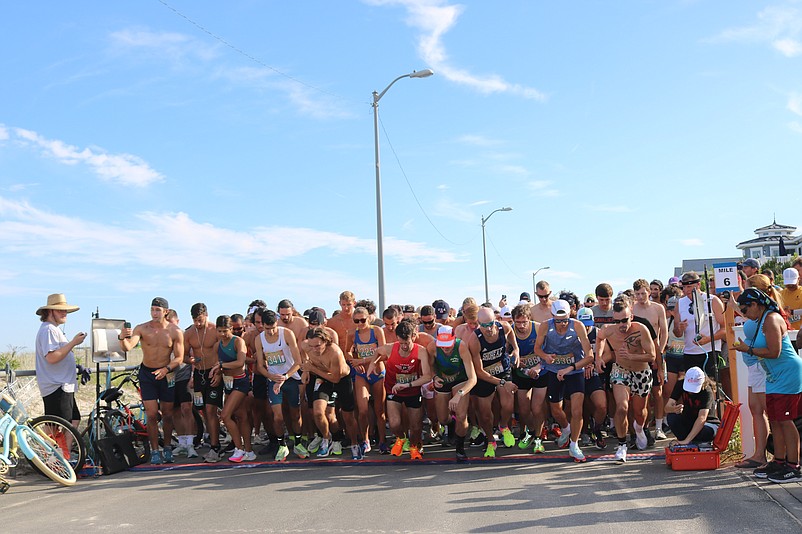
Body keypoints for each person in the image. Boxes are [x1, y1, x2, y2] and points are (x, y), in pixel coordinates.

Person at [735, 288, 802, 483]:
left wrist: (748, 349)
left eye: (745, 311)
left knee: (785, 421)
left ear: (756, 305)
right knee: (774, 420)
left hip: (787, 374)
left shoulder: (771, 319)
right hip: (774, 376)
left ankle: (793, 466)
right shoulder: (761, 319)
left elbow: (774, 352)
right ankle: (779, 461)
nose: (745, 315)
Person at [120, 297, 185, 464]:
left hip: (166, 373)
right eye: (152, 310)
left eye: (158, 310)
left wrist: (166, 369)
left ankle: (168, 446)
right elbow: (128, 347)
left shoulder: (175, 331)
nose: (154, 313)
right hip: (147, 374)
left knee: (168, 414)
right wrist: (122, 337)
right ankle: (155, 450)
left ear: (166, 312)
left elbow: (179, 357)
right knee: (151, 414)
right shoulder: (142, 328)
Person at [596, 296, 656, 463]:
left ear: (631, 316)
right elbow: (599, 338)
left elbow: (652, 356)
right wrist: (598, 357)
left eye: (624, 320)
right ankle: (622, 445)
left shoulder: (641, 329)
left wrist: (631, 356)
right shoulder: (609, 329)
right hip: (620, 371)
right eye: (617, 321)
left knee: (639, 412)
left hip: (642, 372)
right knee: (622, 407)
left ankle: (638, 428)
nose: (621, 325)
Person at [535, 300, 595, 462]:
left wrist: (570, 368)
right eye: (558, 320)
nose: (562, 324)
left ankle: (574, 445)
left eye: (565, 320)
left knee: (577, 411)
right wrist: (545, 356)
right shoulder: (545, 326)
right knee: (555, 410)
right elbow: (537, 348)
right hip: (554, 371)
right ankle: (566, 429)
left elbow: (590, 356)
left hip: (574, 371)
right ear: (552, 316)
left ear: (570, 314)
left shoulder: (577, 326)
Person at [368, 320, 433, 460]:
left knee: (415, 427)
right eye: (401, 343)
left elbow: (428, 376)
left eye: (407, 343)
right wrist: (372, 364)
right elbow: (377, 352)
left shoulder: (420, 351)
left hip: (412, 391)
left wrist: (408, 385)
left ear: (413, 337)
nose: (404, 346)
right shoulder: (391, 348)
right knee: (394, 423)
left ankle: (414, 447)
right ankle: (401, 438)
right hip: (394, 390)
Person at [299, 327, 362, 460]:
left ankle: (354, 444)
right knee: (317, 412)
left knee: (348, 416)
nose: (314, 349)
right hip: (322, 378)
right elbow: (303, 353)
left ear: (325, 341)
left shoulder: (335, 352)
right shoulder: (306, 345)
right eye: (312, 346)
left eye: (318, 346)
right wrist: (306, 370)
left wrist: (312, 368)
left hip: (340, 379)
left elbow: (335, 378)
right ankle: (326, 438)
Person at [467, 306, 520, 458]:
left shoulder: (504, 327)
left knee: (508, 405)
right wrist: (502, 383)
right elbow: (479, 372)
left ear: (495, 320)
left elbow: (512, 337)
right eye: (484, 326)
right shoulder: (474, 340)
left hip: (502, 369)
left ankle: (503, 426)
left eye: (490, 324)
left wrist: (516, 350)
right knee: (484, 414)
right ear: (478, 323)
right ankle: (491, 440)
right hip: (485, 376)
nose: (488, 329)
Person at [255, 309, 305, 461]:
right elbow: (260, 366)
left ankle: (298, 443)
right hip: (274, 380)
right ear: (262, 326)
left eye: (273, 328)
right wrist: (271, 376)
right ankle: (282, 445)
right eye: (267, 328)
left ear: (277, 323)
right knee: (277, 417)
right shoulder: (259, 339)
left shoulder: (286, 334)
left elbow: (298, 362)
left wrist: (285, 376)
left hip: (290, 378)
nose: (270, 332)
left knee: (295, 414)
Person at [35, 294, 86, 433]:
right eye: (60, 310)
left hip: (62, 384)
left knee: (72, 421)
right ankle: (54, 453)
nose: (65, 313)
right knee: (59, 425)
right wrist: (73, 342)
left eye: (65, 310)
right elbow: (51, 357)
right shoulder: (49, 329)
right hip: (56, 385)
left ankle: (62, 453)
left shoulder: (53, 329)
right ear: (50, 311)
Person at [426, 325, 477, 461]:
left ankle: (460, 448)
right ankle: (450, 424)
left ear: (454, 339)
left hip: (460, 380)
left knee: (461, 415)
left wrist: (459, 394)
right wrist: (435, 377)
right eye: (442, 345)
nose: (445, 348)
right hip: (443, 380)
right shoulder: (432, 347)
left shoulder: (461, 346)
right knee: (442, 418)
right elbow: (430, 366)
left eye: (448, 345)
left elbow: (473, 379)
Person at [184, 303, 224, 463]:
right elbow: (184, 356)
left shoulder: (215, 330)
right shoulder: (189, 333)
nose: (197, 323)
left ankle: (215, 447)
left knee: (211, 408)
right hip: (199, 373)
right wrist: (190, 360)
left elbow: (223, 353)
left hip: (214, 372)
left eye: (200, 320)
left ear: (206, 315)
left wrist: (220, 372)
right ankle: (213, 441)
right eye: (195, 320)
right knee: (205, 412)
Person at [346, 306, 387, 455]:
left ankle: (382, 441)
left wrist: (362, 360)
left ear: (368, 318)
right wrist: (354, 362)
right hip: (361, 374)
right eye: (356, 321)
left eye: (363, 320)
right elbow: (347, 352)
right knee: (362, 410)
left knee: (379, 410)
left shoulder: (376, 331)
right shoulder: (352, 333)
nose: (360, 323)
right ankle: (365, 439)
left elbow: (383, 353)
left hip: (377, 372)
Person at [213, 315, 254, 462]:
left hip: (240, 382)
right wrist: (218, 372)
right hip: (228, 383)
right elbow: (218, 364)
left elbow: (240, 362)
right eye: (220, 331)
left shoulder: (238, 341)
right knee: (241, 416)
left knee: (225, 415)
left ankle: (239, 449)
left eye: (225, 331)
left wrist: (222, 366)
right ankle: (249, 450)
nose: (223, 334)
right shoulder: (218, 345)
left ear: (231, 329)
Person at [510, 304, 548, 454]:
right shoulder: (510, 331)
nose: (521, 326)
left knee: (537, 408)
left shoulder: (538, 328)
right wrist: (515, 361)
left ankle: (538, 438)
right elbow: (505, 355)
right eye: (517, 322)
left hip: (541, 373)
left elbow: (550, 351)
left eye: (524, 322)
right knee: (524, 411)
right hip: (521, 375)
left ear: (529, 319)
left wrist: (538, 367)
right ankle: (531, 432)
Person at [166, 309, 197, 459]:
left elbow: (192, 357)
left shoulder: (184, 335)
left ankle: (190, 443)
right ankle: (182, 442)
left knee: (187, 408)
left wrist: (192, 376)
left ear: (177, 322)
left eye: (172, 324)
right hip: (170, 377)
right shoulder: (162, 336)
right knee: (175, 411)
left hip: (184, 375)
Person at [664, 366, 720, 444]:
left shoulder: (706, 391)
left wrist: (687, 440)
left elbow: (702, 418)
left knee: (705, 432)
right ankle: (686, 441)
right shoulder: (680, 384)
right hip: (690, 421)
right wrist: (674, 409)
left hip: (708, 424)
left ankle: (688, 441)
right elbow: (667, 408)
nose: (691, 392)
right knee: (672, 417)